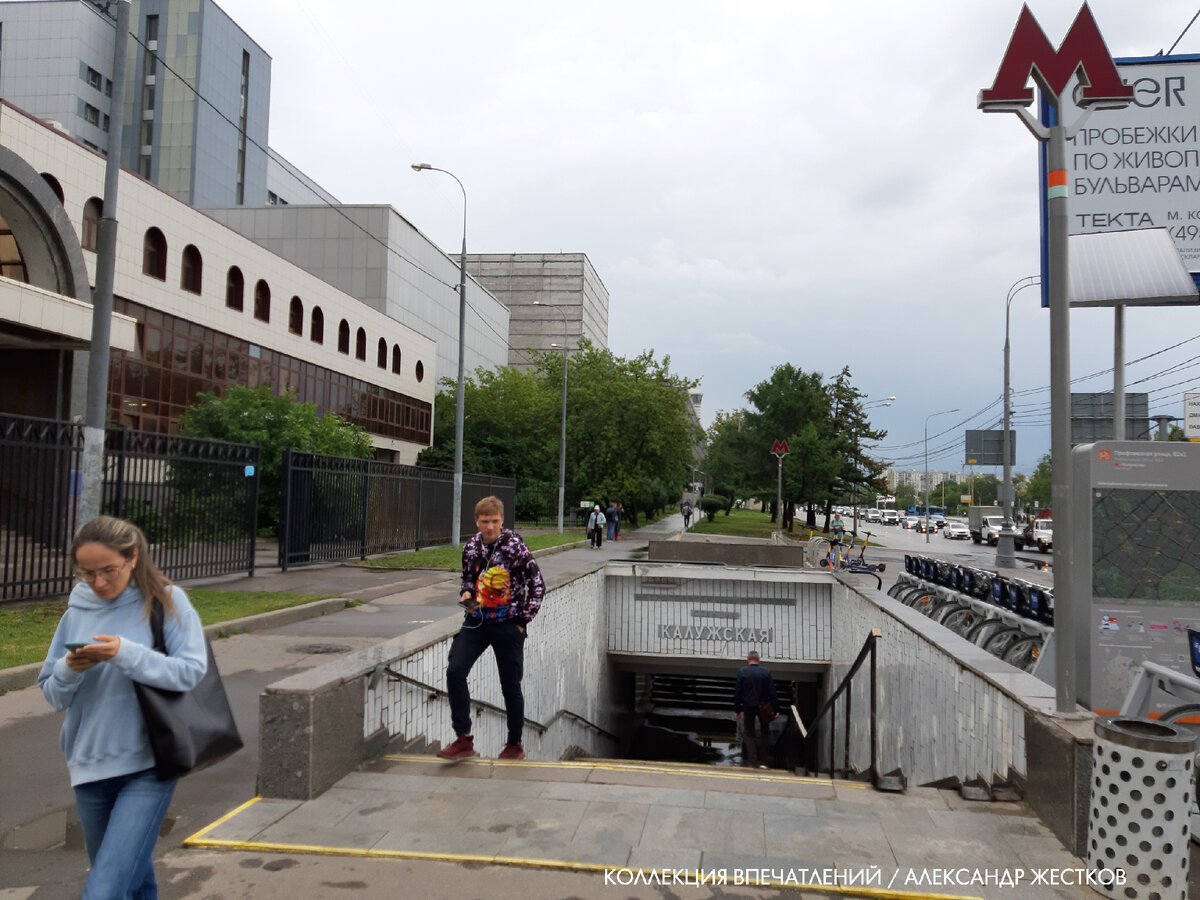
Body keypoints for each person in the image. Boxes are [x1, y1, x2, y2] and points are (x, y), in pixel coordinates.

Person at [39, 516, 208, 899]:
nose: (99, 583)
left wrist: (124, 653)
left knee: (105, 889)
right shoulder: (75, 613)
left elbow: (190, 672)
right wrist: (69, 669)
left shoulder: (166, 600)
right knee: (132, 881)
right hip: (89, 768)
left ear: (132, 557)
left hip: (150, 765)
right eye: (87, 573)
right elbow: (52, 694)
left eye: (108, 571)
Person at [437, 496, 545, 761]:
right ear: (477, 521)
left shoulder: (515, 548)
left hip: (508, 624)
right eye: (485, 522)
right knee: (455, 670)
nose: (490, 527)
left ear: (502, 520)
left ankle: (514, 745)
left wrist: (522, 621)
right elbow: (468, 578)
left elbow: (538, 586)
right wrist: (466, 593)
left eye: (494, 521)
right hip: (477, 620)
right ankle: (463, 739)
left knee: (510, 685)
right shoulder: (471, 547)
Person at [733, 650, 780, 768]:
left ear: (747, 659)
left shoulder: (742, 671)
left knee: (749, 733)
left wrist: (737, 710)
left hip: (748, 706)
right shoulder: (766, 672)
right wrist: (776, 709)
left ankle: (753, 761)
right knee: (765, 732)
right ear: (758, 660)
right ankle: (764, 761)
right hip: (764, 706)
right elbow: (772, 692)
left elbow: (738, 693)